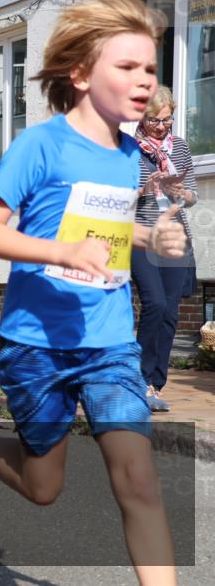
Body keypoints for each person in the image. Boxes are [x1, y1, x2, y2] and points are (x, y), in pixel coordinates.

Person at [0, 0, 184, 586]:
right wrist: (60, 251)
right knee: (43, 487)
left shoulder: (130, 155)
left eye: (149, 68)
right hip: (36, 344)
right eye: (126, 67)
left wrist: (148, 240)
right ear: (80, 74)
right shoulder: (39, 145)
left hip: (108, 341)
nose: (143, 81)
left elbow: (100, 233)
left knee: (138, 480)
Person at [131, 86, 197, 413]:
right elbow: (121, 196)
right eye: (154, 120)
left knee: (170, 313)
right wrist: (148, 187)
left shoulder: (180, 148)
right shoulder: (128, 150)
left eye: (167, 119)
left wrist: (180, 190)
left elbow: (194, 194)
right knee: (154, 304)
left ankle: (156, 384)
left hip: (175, 237)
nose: (161, 126)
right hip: (143, 236)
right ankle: (138, 381)